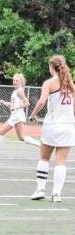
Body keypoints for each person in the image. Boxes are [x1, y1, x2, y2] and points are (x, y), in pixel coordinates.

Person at [27, 55, 75, 203]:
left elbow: (41, 102)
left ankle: (40, 189)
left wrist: (33, 114)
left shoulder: (49, 83)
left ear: (51, 67)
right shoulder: (70, 83)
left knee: (44, 158)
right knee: (61, 162)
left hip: (52, 126)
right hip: (68, 126)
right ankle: (56, 194)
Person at [0, 73, 40, 157]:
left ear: (21, 81)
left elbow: (27, 103)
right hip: (16, 115)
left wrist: (15, 108)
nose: (14, 82)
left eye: (16, 80)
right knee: (21, 137)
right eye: (13, 80)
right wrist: (4, 102)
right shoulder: (15, 91)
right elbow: (13, 104)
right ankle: (41, 145)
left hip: (17, 116)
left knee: (1, 131)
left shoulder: (20, 91)